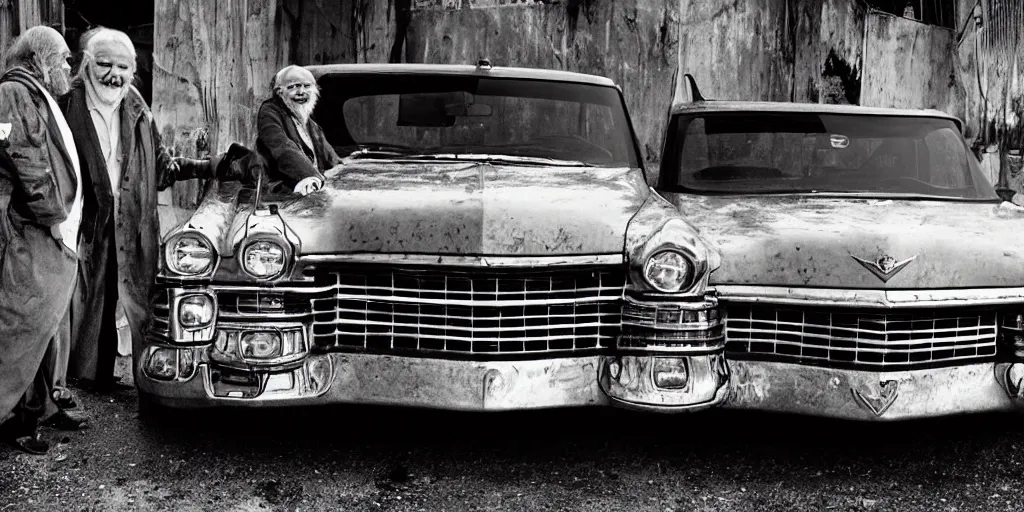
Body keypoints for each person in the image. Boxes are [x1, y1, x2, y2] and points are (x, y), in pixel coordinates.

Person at [59, 27, 226, 393]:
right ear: (86, 64)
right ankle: (80, 379)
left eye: (122, 67)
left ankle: (139, 378)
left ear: (133, 71)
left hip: (131, 222)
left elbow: (163, 168)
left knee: (133, 300)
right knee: (84, 302)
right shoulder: (65, 105)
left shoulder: (135, 105)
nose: (113, 75)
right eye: (104, 64)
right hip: (83, 223)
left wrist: (209, 166)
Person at [0, 25, 85, 455]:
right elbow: (25, 158)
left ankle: (36, 412)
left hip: (51, 234)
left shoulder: (37, 92)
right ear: (39, 57)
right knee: (20, 330)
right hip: (34, 232)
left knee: (45, 329)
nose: (70, 66)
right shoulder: (15, 92)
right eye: (64, 58)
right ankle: (11, 420)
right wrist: (54, 217)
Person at [255, 65, 341, 195]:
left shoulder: (311, 125)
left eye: (307, 86)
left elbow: (332, 160)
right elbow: (282, 147)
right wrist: (310, 176)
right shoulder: (270, 112)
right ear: (280, 92)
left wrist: (341, 170)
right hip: (283, 193)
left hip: (314, 190)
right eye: (293, 87)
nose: (301, 92)